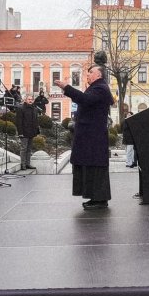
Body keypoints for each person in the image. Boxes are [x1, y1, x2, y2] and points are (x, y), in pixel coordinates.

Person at [57, 64, 112, 209]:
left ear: (99, 75)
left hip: (94, 137)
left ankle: (100, 200)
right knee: (90, 167)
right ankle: (95, 198)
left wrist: (67, 88)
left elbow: (85, 99)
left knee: (95, 168)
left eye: (91, 72)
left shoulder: (100, 88)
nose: (88, 74)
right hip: (90, 136)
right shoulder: (96, 87)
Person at [15, 94, 40, 170]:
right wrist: (20, 133)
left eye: (31, 99)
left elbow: (36, 120)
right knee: (24, 148)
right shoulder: (21, 108)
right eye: (29, 99)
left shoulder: (34, 108)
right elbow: (18, 122)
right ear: (25, 100)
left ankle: (28, 164)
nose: (30, 101)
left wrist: (36, 130)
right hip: (24, 132)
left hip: (32, 132)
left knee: (29, 149)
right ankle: (23, 164)